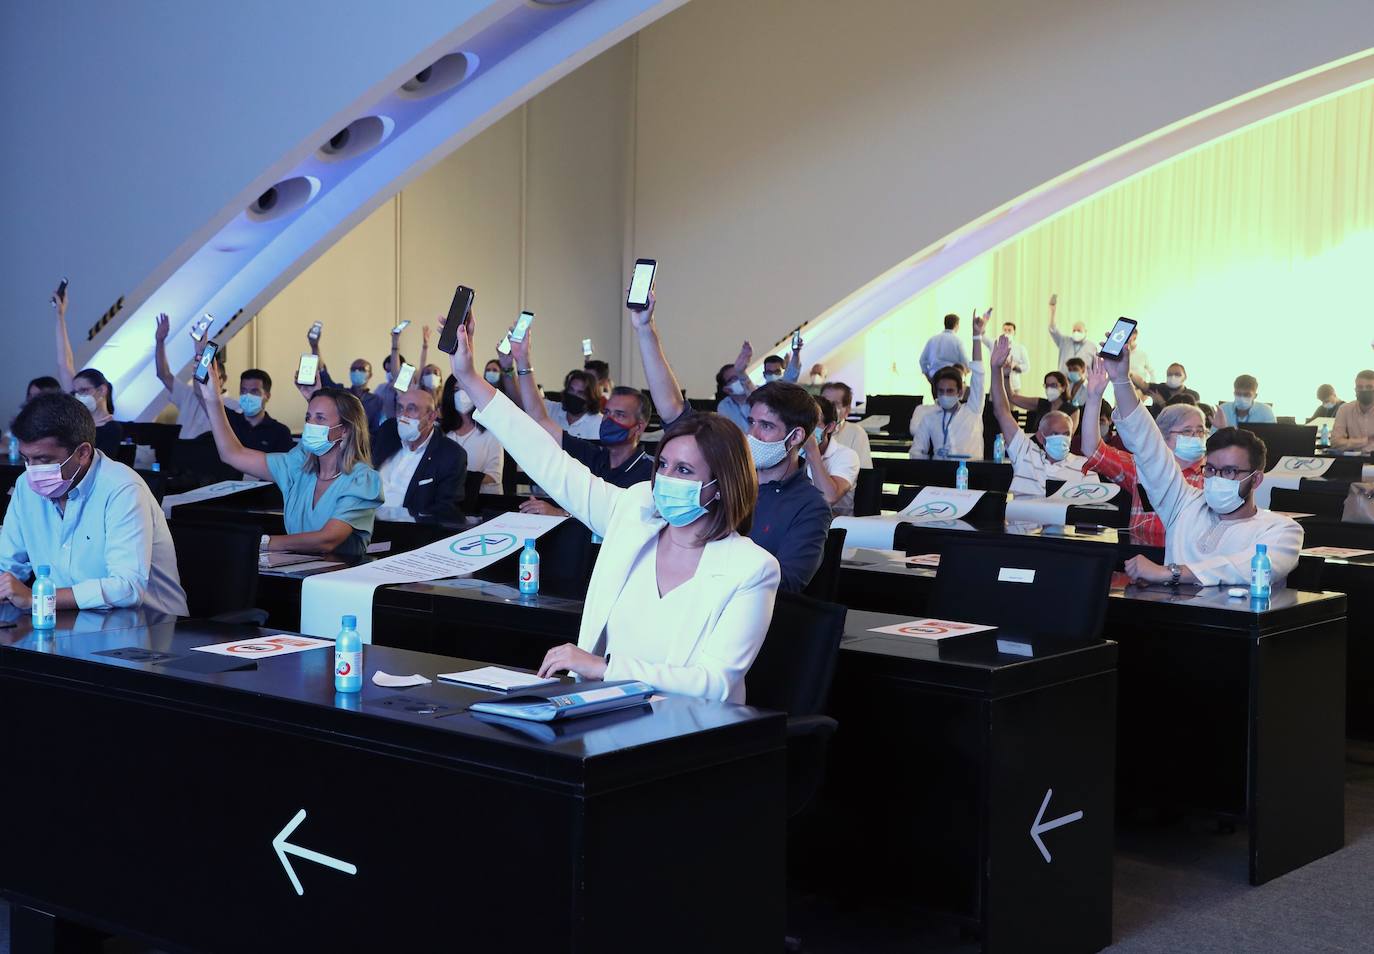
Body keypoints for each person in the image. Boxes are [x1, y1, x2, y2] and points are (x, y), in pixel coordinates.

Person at [442, 310, 780, 704]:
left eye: (684, 470)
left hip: (688, 731)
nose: (666, 480)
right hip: (604, 711)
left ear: (720, 485)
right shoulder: (635, 510)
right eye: (664, 466)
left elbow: (715, 683)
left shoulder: (752, 568)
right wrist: (469, 378)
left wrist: (603, 667)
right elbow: (549, 463)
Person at [625, 288, 830, 591]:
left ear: (795, 436)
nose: (753, 434)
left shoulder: (809, 505)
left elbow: (787, 584)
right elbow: (672, 408)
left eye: (767, 427)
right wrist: (645, 329)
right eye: (751, 422)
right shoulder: (728, 470)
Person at [1102, 344, 1302, 587]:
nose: (1216, 478)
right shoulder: (1185, 504)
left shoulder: (1282, 530)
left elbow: (1247, 567)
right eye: (1211, 469)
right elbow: (1147, 445)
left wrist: (1169, 573)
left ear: (1256, 479)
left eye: (1229, 471)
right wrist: (1121, 380)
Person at [0, 393, 187, 616]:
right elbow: (7, 566)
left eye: (44, 460)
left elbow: (126, 587)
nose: (32, 470)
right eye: (26, 459)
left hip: (151, 629)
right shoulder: (25, 487)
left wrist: (38, 597)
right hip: (68, 621)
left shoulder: (122, 488)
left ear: (82, 453)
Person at [199, 373, 382, 558]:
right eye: (308, 417)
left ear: (345, 430)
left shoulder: (363, 479)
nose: (310, 425)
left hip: (338, 581)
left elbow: (327, 540)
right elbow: (232, 454)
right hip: (291, 574)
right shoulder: (298, 466)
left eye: (320, 418)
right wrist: (213, 399)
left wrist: (260, 542)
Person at [505, 331, 653, 516]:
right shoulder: (593, 456)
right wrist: (523, 361)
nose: (609, 419)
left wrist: (560, 513)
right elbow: (540, 419)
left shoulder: (649, 473)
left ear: (639, 426)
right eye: (607, 412)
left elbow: (619, 519)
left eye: (620, 415)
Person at [1079, 355, 1205, 546]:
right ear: (1162, 435)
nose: (1195, 437)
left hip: (1190, 563)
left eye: (1200, 431)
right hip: (1141, 559)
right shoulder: (1141, 466)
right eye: (1187, 431)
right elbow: (1092, 449)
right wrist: (1094, 398)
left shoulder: (1214, 474)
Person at [990, 335, 1091, 497]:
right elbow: (1002, 411)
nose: (1062, 438)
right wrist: (996, 370)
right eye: (1055, 434)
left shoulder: (1084, 467)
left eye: (1066, 434)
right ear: (1041, 436)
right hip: (1025, 522)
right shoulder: (1026, 453)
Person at [372, 387, 467, 520]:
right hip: (362, 523)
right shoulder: (388, 431)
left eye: (411, 409)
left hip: (405, 530)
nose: (403, 415)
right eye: (400, 408)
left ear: (431, 417)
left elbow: (446, 509)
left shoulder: (451, 455)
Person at [54, 285, 124, 456]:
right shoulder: (81, 417)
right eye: (76, 391)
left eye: (84, 390)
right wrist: (60, 316)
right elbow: (65, 362)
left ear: (101, 390)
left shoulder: (112, 429)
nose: (78, 396)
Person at [911, 312, 987, 459]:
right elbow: (916, 452)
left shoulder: (973, 410)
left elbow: (978, 373)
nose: (945, 395)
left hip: (972, 477)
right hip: (939, 479)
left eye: (950, 391)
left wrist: (976, 336)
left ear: (960, 392)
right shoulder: (929, 418)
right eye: (941, 391)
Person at [153, 312, 239, 441]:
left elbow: (204, 392)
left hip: (208, 455)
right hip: (182, 451)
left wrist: (204, 351)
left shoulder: (232, 406)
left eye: (209, 376)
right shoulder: (189, 394)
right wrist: (160, 341)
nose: (203, 380)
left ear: (222, 379)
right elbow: (163, 374)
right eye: (199, 374)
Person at [308, 325, 384, 431]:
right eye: (353, 369)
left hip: (367, 445)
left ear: (370, 374)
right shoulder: (341, 394)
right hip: (341, 442)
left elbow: (377, 430)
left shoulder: (377, 401)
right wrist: (315, 347)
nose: (357, 371)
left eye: (361, 369)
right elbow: (323, 374)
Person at [440, 375, 504, 494]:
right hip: (448, 500)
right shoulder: (442, 432)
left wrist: (455, 477)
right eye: (456, 390)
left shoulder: (491, 432)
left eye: (466, 389)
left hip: (485, 502)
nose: (461, 394)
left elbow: (494, 476)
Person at [804, 396, 861, 515]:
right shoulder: (791, 450)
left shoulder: (847, 456)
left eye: (813, 424)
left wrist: (812, 451)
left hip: (835, 527)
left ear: (829, 427)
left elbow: (828, 498)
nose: (805, 430)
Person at [227, 370, 295, 454]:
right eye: (243, 391)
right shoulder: (228, 421)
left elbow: (282, 466)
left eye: (254, 391)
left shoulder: (280, 432)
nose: (247, 396)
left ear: (267, 396)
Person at [1008, 368, 1079, 435]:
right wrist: (1007, 375)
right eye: (1047, 385)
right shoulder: (1042, 403)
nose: (1049, 388)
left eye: (1053, 385)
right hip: (1036, 444)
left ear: (1063, 387)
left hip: (1056, 445)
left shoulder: (1073, 410)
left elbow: (1069, 435)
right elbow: (1013, 398)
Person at [820, 382, 873, 468]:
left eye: (835, 404)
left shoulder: (856, 433)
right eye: (825, 402)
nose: (827, 408)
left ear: (847, 410)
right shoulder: (810, 429)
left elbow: (864, 471)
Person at [545, 368, 603, 440]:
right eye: (571, 390)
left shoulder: (599, 423)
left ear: (590, 398)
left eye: (580, 393)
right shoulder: (550, 409)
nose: (574, 395)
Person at [1046, 293, 1092, 373]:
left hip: (1083, 382)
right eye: (1074, 330)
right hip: (1064, 380)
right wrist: (1053, 312)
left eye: (1079, 330)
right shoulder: (1064, 341)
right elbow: (1053, 329)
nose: (1076, 333)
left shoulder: (1091, 347)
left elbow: (1095, 368)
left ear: (1085, 331)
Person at [1329, 370, 1374, 452]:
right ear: (1355, 389)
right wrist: (1366, 440)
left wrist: (1350, 443)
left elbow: (1340, 443)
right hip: (1353, 460)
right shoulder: (1345, 409)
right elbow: (1335, 442)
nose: (1364, 390)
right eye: (1360, 387)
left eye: (1369, 387)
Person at [919, 314, 971, 383]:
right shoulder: (958, 341)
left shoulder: (932, 339)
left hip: (935, 377)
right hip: (952, 378)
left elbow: (922, 360)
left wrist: (929, 377)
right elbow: (966, 363)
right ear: (956, 325)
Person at [1000, 320, 1032, 393]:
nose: (1007, 332)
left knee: (1013, 404)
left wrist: (1015, 366)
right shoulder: (997, 346)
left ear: (1014, 332)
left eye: (1009, 330)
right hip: (998, 385)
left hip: (1014, 386)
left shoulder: (1020, 348)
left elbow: (1027, 367)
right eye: (1005, 330)